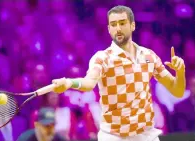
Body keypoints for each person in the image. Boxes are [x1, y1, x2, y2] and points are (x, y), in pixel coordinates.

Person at [51, 5, 186, 141]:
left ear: (133, 26)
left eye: (122, 23)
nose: (118, 29)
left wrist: (180, 72)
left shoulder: (148, 56)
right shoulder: (102, 58)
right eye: (113, 25)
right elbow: (88, 83)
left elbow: (178, 91)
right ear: (109, 29)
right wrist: (69, 82)